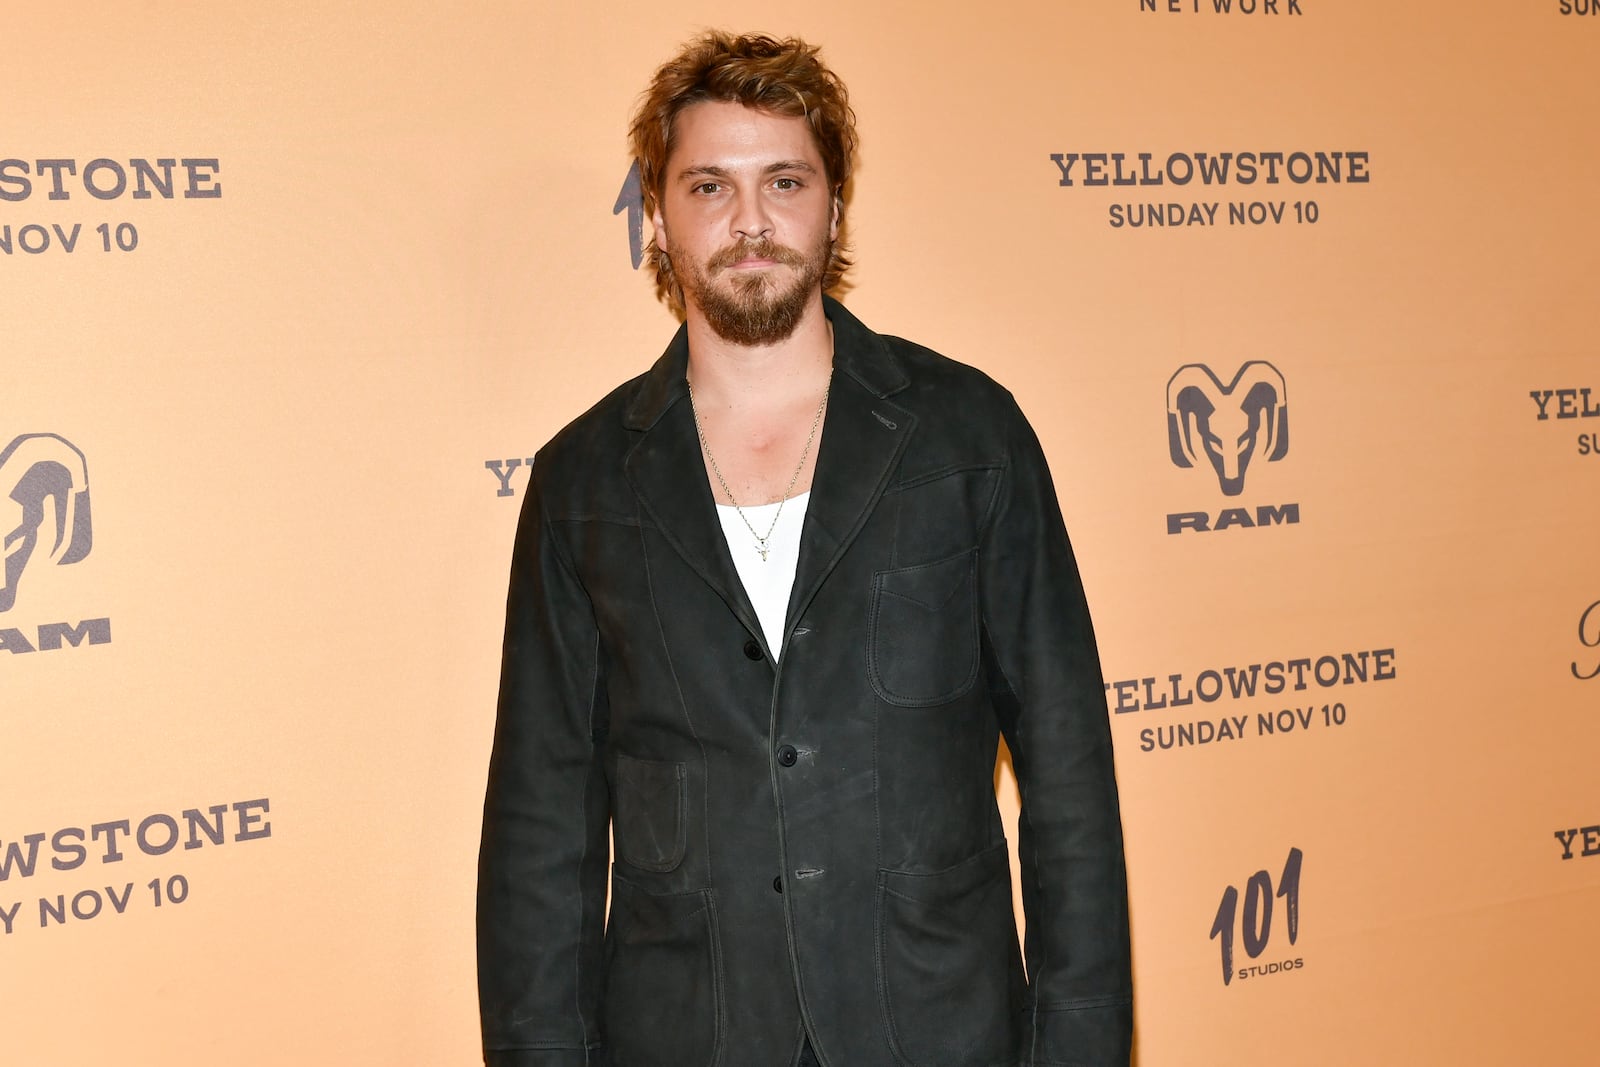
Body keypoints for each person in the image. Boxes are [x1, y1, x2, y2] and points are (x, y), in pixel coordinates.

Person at [477, 31, 1131, 1067]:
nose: (749, 221)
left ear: (833, 207)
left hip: (940, 1027)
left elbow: (1068, 774)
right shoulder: (581, 482)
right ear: (657, 216)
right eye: (707, 186)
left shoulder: (970, 438)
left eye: (784, 181)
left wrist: (1080, 1045)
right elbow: (539, 826)